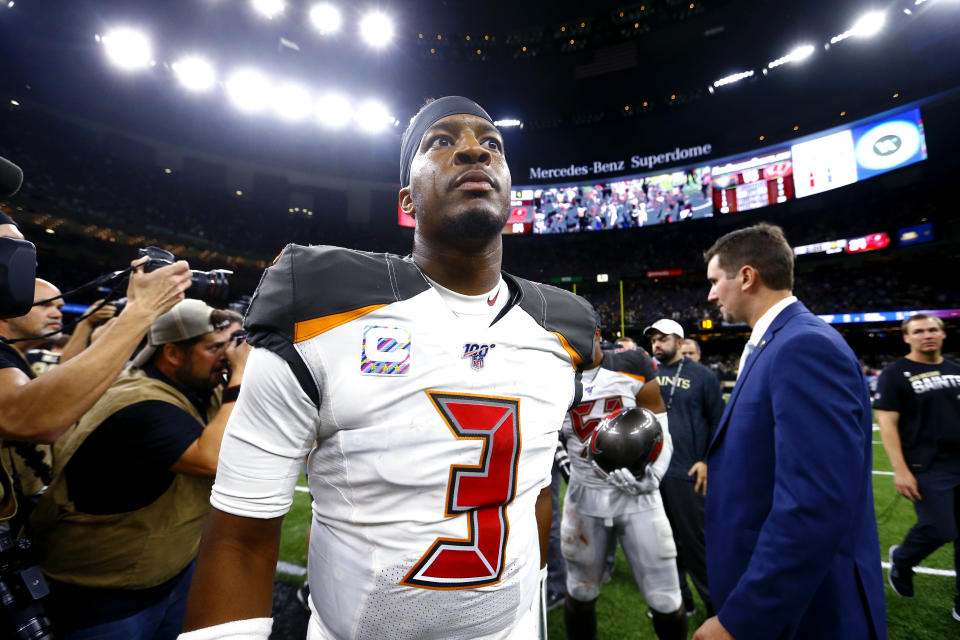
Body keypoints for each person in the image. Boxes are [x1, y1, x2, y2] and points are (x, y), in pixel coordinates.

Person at [180, 96, 597, 640]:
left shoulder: (565, 328)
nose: (474, 149)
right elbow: (240, 536)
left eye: (491, 144)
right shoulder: (319, 301)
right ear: (407, 199)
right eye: (441, 141)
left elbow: (537, 489)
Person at [693, 223, 886, 640]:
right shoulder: (778, 342)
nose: (710, 295)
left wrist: (741, 618)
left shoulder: (803, 347)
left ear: (746, 276)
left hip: (810, 610)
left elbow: (812, 503)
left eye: (714, 281)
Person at [31, 299, 249, 638]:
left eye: (230, 346)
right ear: (174, 353)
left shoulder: (195, 385)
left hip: (164, 576)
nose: (227, 356)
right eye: (215, 347)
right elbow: (213, 459)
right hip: (105, 596)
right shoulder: (140, 401)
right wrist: (241, 375)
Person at [561, 326, 686, 640]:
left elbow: (661, 427)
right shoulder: (550, 376)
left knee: (665, 599)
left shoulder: (631, 363)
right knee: (580, 591)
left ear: (596, 333)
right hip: (584, 495)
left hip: (639, 496)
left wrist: (653, 476)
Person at [875, 313, 960, 622]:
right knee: (941, 528)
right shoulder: (896, 374)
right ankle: (903, 559)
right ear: (906, 337)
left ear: (943, 334)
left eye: (933, 329)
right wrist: (900, 469)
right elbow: (887, 422)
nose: (927, 335)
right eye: (919, 330)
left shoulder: (955, 370)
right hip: (927, 465)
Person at [645, 318, 721, 618]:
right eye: (653, 340)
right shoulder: (645, 374)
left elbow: (718, 422)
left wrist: (707, 460)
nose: (657, 345)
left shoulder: (703, 376)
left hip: (686, 472)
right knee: (664, 546)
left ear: (678, 340)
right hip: (652, 473)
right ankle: (682, 602)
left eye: (663, 339)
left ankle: (718, 611)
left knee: (697, 548)